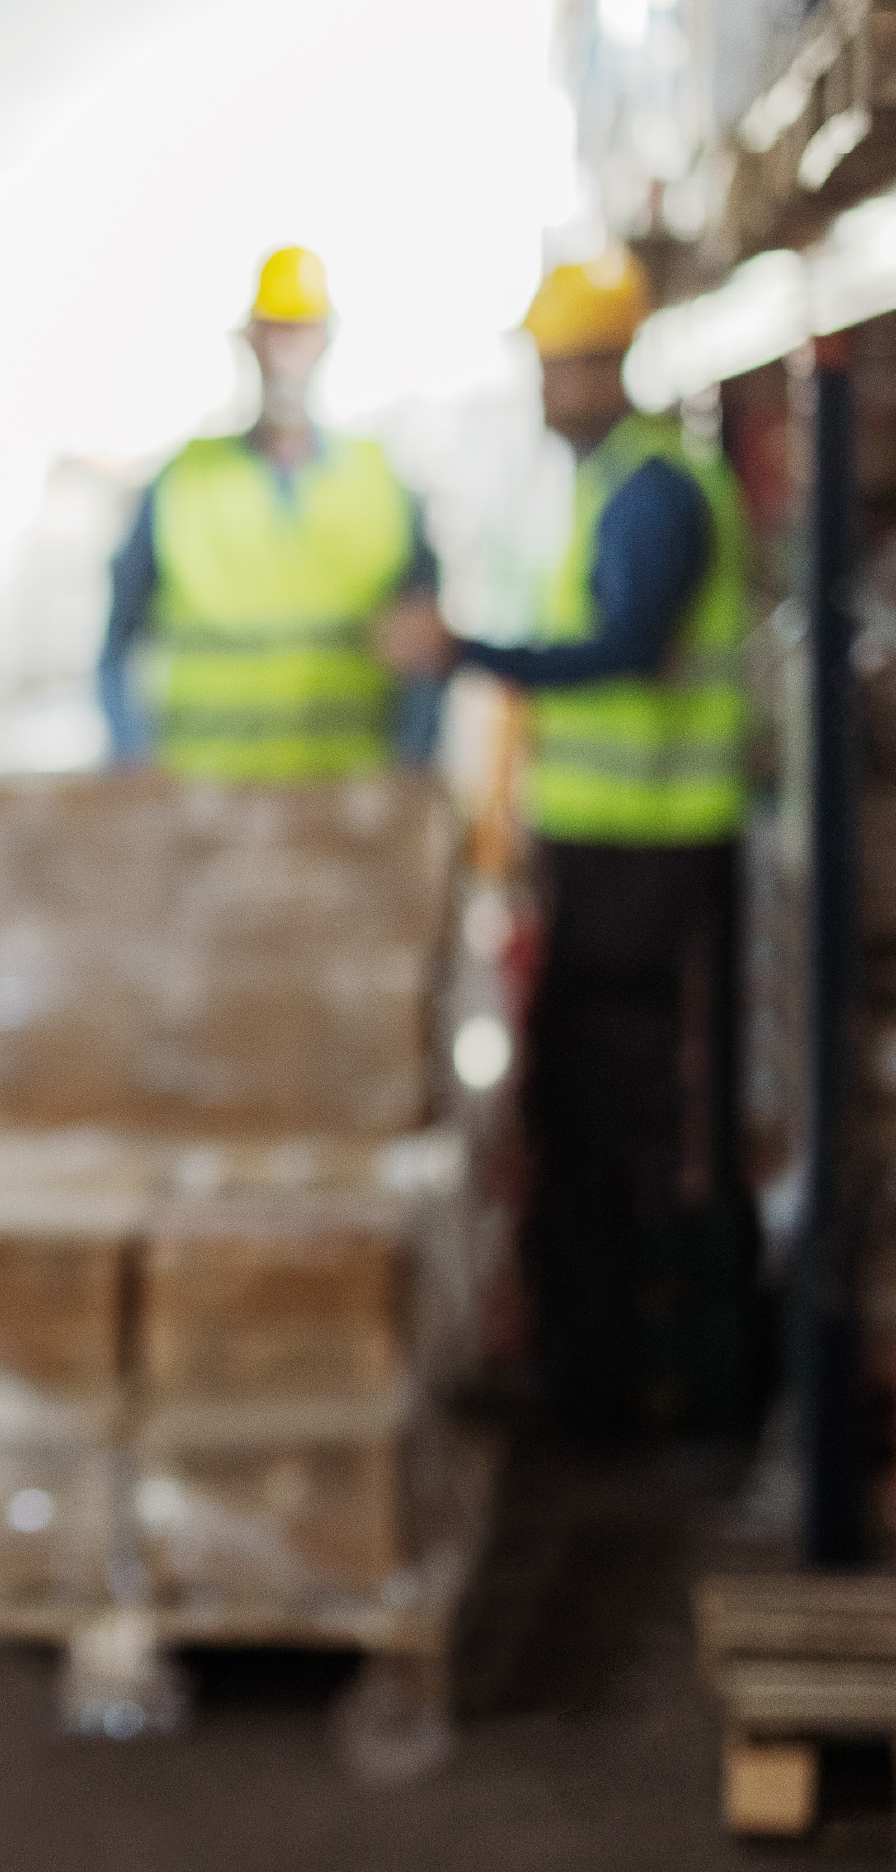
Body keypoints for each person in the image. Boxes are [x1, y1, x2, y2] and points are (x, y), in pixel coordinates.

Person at [378, 250, 762, 1434]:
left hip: (657, 858)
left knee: (648, 1122)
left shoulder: (656, 493)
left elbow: (624, 650)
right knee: (578, 1108)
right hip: (601, 853)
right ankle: (593, 1367)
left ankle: (678, 1378)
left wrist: (466, 653)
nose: (545, 393)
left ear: (607, 369)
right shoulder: (610, 488)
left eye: (559, 370)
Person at [100, 246, 447, 779]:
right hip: (208, 805)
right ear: (249, 341)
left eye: (301, 331)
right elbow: (116, 647)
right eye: (274, 331)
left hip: (347, 805)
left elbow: (427, 650)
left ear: (326, 339)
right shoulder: (182, 484)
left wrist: (411, 768)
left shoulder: (383, 482)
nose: (287, 351)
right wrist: (134, 762)